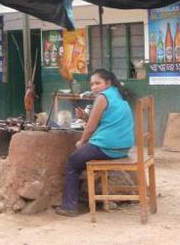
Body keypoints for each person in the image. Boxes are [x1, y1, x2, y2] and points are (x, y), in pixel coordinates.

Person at [56, 68, 134, 217]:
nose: (94, 87)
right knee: (79, 160)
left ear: (108, 82)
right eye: (92, 84)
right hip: (123, 146)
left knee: (72, 162)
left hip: (107, 146)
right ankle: (80, 197)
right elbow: (104, 121)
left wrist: (82, 141)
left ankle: (69, 206)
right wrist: (85, 116)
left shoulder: (102, 98)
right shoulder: (117, 94)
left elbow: (91, 128)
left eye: (98, 83)